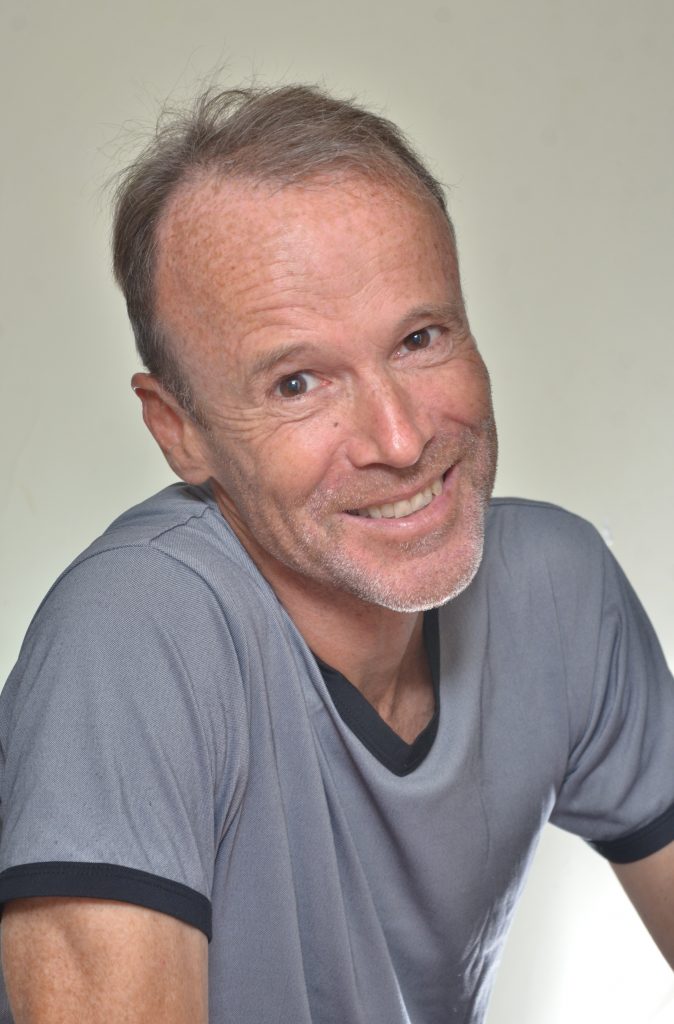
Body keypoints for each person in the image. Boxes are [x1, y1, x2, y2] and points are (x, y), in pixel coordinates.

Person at [0, 84, 672, 1024]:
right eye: (298, 383)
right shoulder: (133, 636)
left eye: (420, 338)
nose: (400, 438)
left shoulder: (556, 588)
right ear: (178, 429)